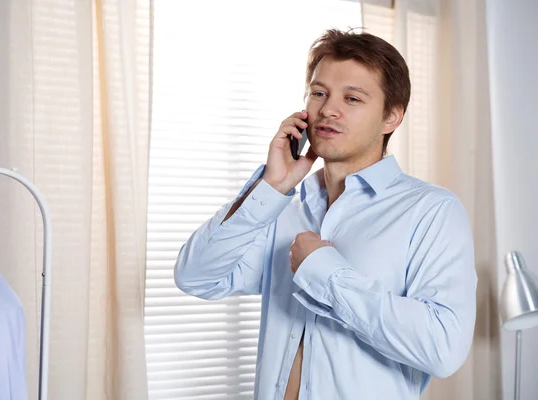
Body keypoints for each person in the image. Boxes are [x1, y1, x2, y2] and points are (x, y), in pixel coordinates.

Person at [174, 28, 477, 400]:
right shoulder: (284, 209)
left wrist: (325, 272)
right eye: (319, 93)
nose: (328, 110)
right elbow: (197, 277)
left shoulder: (431, 212)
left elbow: (443, 349)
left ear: (391, 117)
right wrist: (270, 189)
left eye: (352, 98)